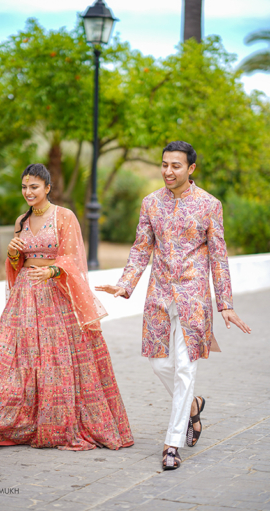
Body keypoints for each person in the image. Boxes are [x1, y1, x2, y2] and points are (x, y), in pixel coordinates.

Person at [0, 163, 133, 450]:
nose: (28, 192)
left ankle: (56, 421)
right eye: (24, 187)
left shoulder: (64, 217)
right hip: (25, 297)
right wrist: (12, 254)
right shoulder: (21, 221)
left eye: (34, 187)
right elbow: (16, 265)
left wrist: (53, 272)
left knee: (56, 362)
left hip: (56, 297)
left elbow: (73, 260)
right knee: (11, 359)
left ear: (47, 188)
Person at [96, 141, 249, 470]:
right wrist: (125, 285)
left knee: (184, 368)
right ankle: (193, 405)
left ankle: (172, 443)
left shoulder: (210, 205)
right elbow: (140, 248)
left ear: (190, 169)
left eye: (175, 166)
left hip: (194, 298)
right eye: (164, 164)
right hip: (158, 297)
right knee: (159, 365)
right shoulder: (150, 203)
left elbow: (219, 257)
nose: (168, 171)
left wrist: (225, 303)